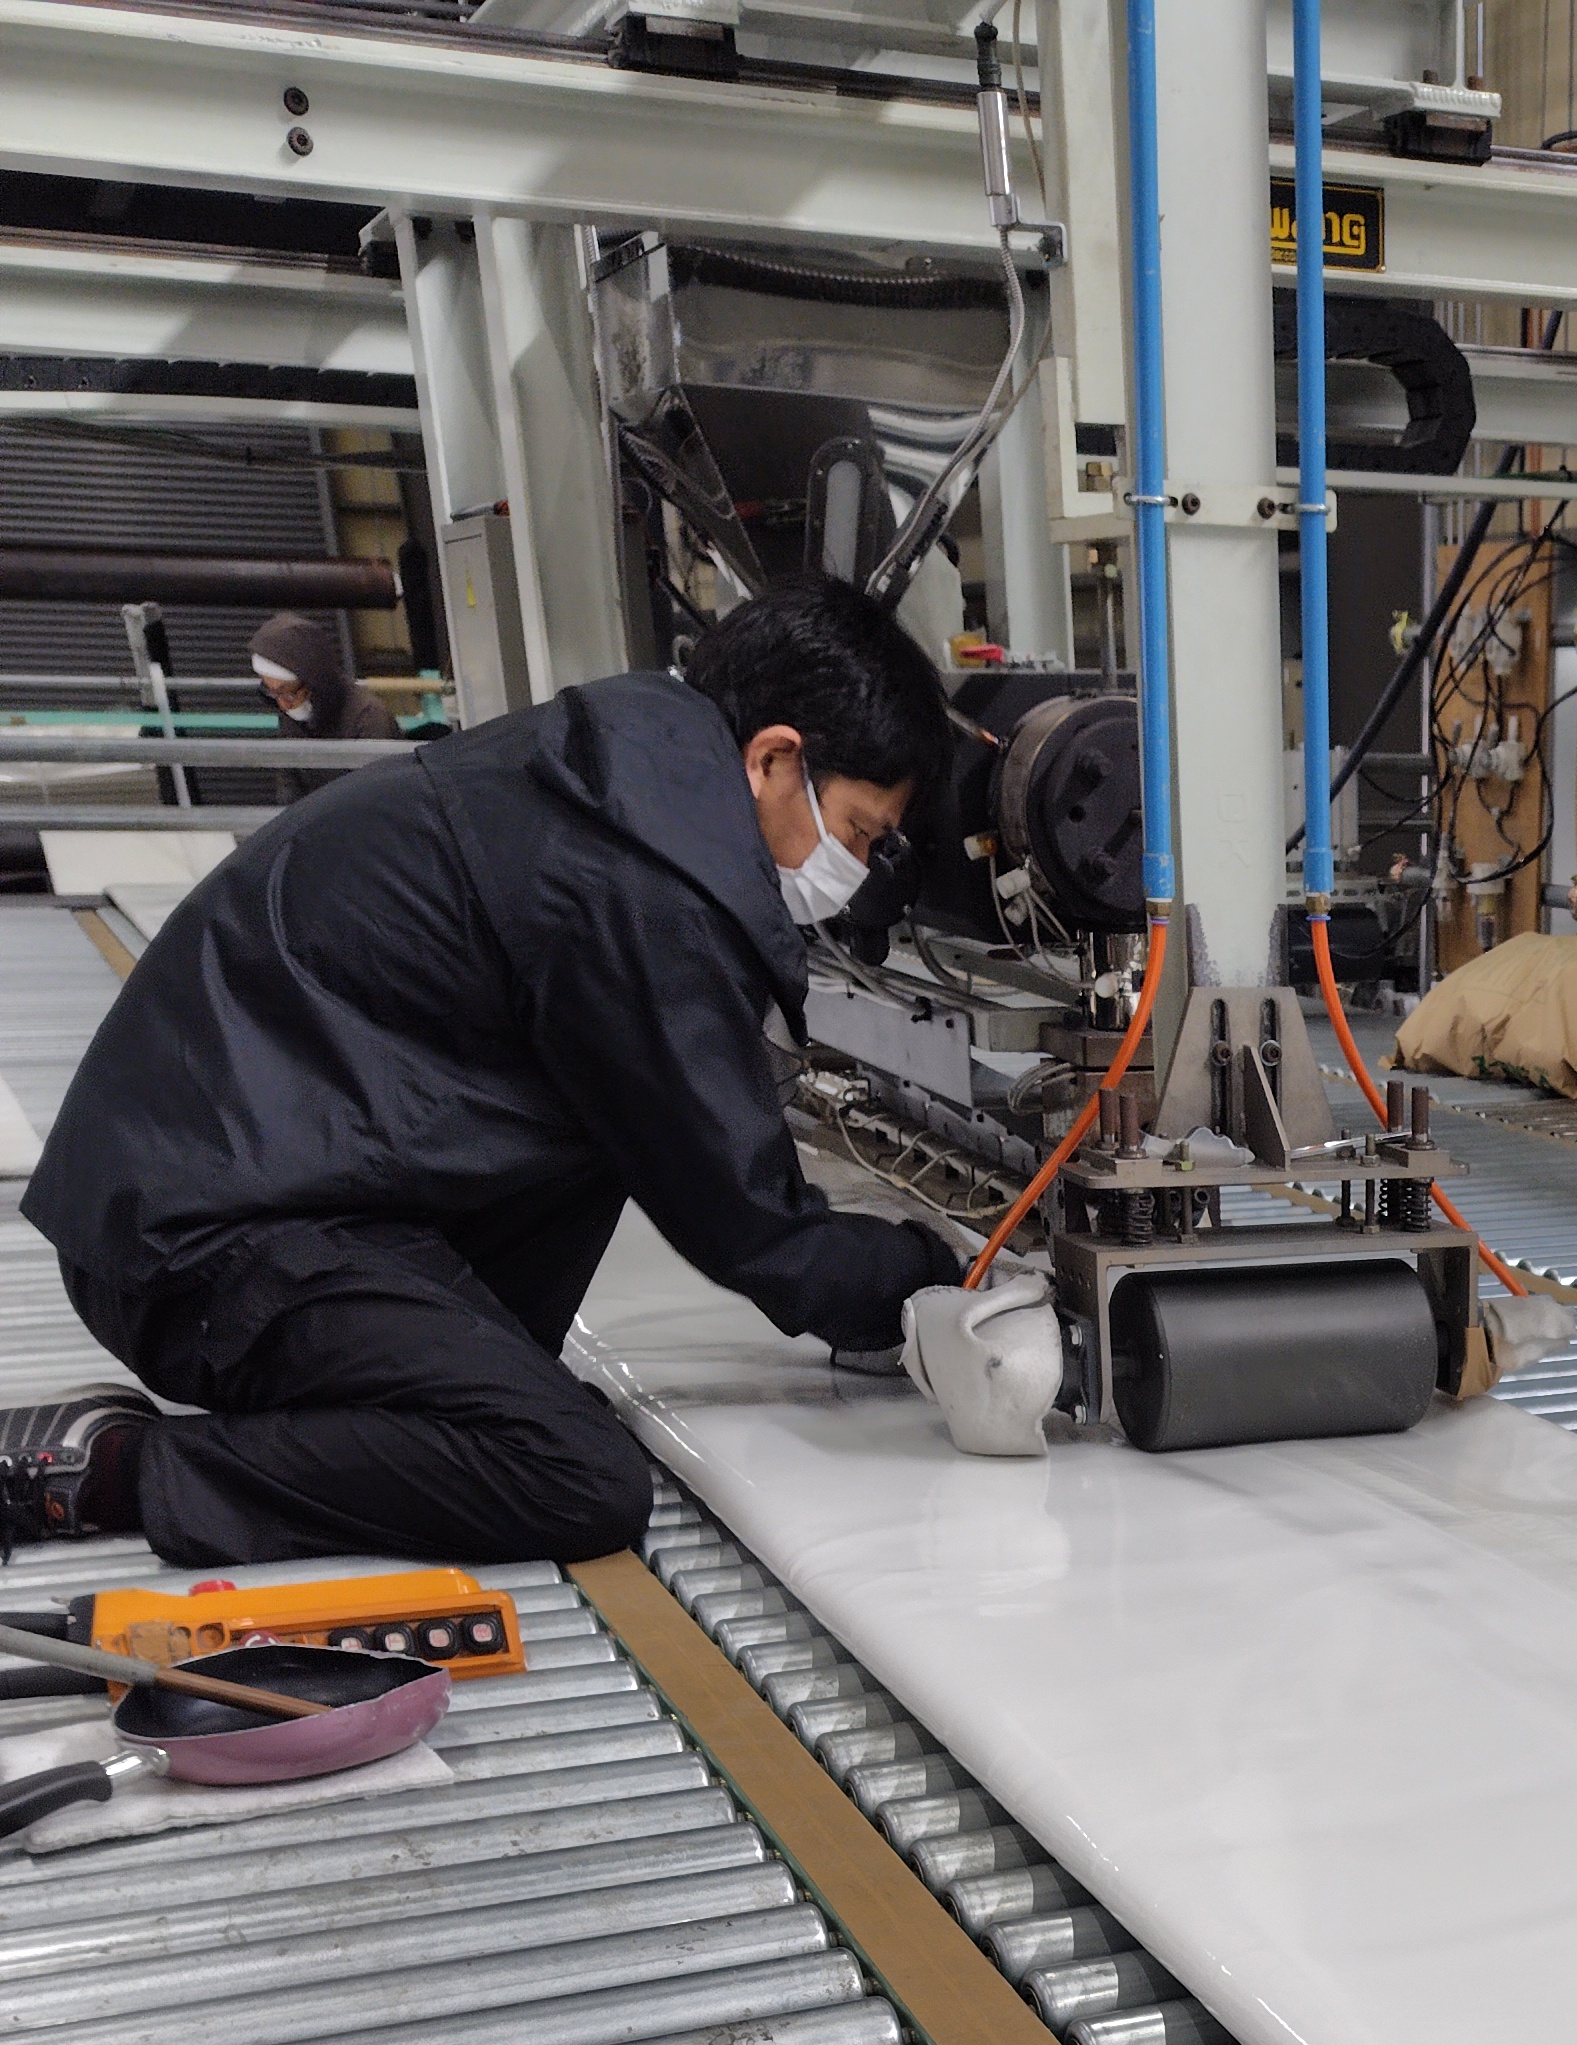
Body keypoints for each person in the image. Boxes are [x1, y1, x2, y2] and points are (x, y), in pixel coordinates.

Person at [6, 579, 964, 1569]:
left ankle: (418, 1402)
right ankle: (115, 1470)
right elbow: (748, 1221)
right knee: (573, 1472)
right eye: (857, 832)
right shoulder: (638, 885)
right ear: (773, 760)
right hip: (197, 1245)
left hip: (226, 1185)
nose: (855, 867)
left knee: (585, 1183)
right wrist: (938, 1285)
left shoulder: (619, 783)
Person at [248, 606, 400, 747]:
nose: (283, 705)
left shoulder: (369, 719)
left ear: (313, 684)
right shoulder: (292, 715)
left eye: (289, 694)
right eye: (273, 693)